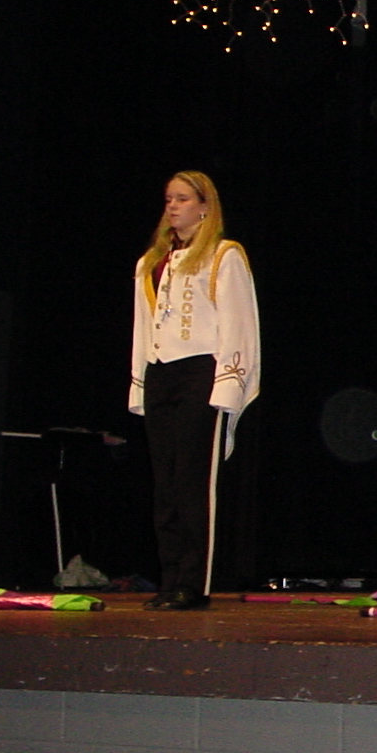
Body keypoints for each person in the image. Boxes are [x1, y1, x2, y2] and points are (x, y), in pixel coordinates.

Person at [129, 171, 260, 610]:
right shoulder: (151, 263)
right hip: (161, 373)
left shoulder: (224, 256)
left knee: (193, 483)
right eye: (169, 199)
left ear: (205, 206)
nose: (173, 206)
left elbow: (239, 324)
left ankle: (193, 582)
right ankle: (169, 579)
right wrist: (139, 384)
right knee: (164, 485)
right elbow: (142, 328)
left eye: (183, 199)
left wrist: (228, 386)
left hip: (201, 374)